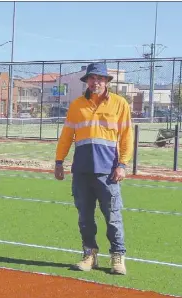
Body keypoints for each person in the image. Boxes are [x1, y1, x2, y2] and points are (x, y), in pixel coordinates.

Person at [55, 62, 132, 275]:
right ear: (87, 81)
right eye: (92, 78)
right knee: (85, 218)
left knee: (113, 217)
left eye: (100, 78)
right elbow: (66, 136)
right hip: (81, 171)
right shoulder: (77, 105)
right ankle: (89, 255)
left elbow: (126, 137)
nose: (95, 82)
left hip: (109, 173)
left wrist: (122, 164)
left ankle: (118, 257)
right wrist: (59, 161)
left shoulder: (120, 104)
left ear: (106, 81)